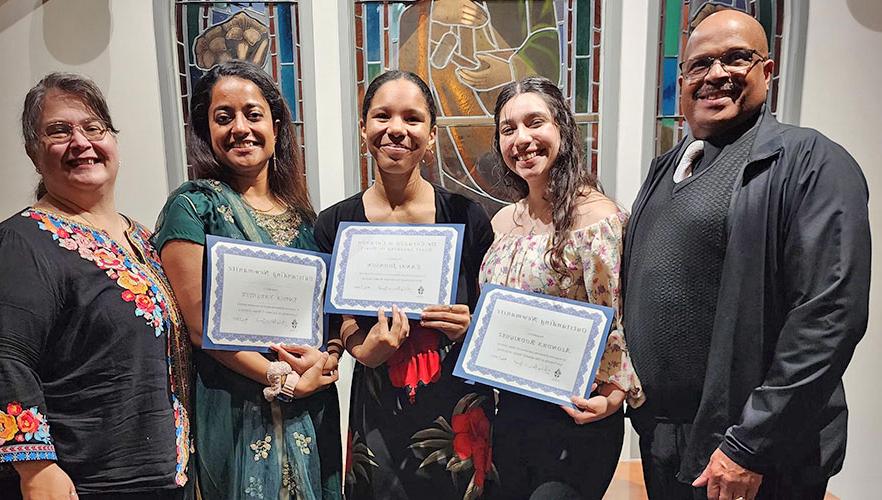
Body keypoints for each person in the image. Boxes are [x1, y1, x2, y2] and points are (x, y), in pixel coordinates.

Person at [622, 9, 870, 500]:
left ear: (768, 70)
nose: (716, 74)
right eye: (700, 63)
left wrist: (749, 445)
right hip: (666, 439)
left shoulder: (811, 162)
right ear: (683, 77)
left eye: (737, 58)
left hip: (749, 453)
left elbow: (828, 317)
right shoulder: (667, 167)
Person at [152, 60, 342, 500]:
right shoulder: (194, 207)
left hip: (310, 410)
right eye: (224, 117)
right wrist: (284, 379)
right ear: (207, 131)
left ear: (276, 128)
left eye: (253, 115)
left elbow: (325, 318)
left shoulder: (305, 220)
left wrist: (326, 360)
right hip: (236, 405)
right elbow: (201, 328)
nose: (241, 128)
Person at [0, 73, 192, 498]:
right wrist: (36, 467)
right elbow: (7, 357)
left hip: (163, 479)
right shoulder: (22, 241)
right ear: (34, 153)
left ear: (113, 142)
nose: (80, 142)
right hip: (83, 483)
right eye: (58, 131)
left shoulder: (144, 238)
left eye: (93, 128)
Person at [314, 70, 496, 499]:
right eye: (382, 116)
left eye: (412, 119)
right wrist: (362, 348)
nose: (396, 129)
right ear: (364, 130)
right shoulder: (334, 224)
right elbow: (334, 321)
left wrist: (471, 324)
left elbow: (495, 317)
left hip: (456, 408)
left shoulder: (467, 217)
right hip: (378, 405)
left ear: (431, 135)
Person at [479, 77, 644, 500]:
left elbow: (623, 318)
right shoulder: (500, 224)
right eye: (508, 128)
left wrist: (612, 397)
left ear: (563, 130)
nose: (522, 139)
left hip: (576, 417)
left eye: (535, 122)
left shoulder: (599, 219)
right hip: (511, 413)